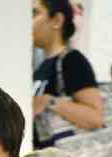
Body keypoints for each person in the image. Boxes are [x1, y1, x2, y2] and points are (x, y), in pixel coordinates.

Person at [31, 0, 103, 148]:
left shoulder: (73, 60)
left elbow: (95, 118)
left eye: (34, 13)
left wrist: (48, 101)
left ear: (57, 20)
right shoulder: (43, 66)